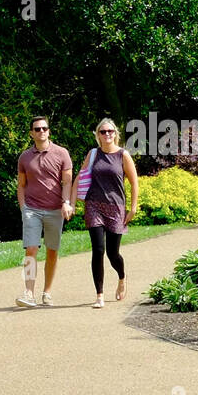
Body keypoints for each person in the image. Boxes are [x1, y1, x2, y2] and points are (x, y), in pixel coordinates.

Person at [70, 118, 138, 308]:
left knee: (112, 253)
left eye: (110, 131)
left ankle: (122, 277)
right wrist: (72, 203)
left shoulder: (123, 155)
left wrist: (132, 208)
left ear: (116, 134)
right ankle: (99, 295)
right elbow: (78, 178)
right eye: (103, 132)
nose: (107, 135)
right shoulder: (93, 154)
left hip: (116, 207)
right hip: (94, 206)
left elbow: (134, 183)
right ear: (98, 135)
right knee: (98, 250)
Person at [15, 115, 73, 308]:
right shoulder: (24, 157)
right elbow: (21, 185)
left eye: (44, 128)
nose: (42, 132)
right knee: (31, 249)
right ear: (31, 133)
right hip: (32, 209)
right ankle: (28, 292)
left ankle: (47, 292)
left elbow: (67, 182)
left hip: (55, 210)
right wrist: (23, 207)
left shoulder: (62, 153)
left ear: (49, 131)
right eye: (37, 129)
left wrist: (66, 202)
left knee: (52, 251)